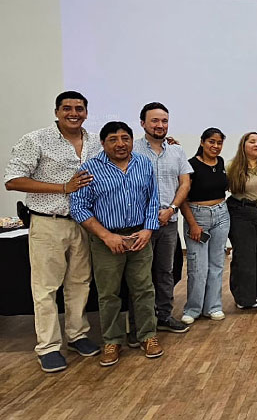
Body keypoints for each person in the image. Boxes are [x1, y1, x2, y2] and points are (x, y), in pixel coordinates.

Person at [4, 91, 101, 372]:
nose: (74, 113)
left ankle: (77, 335)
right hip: (49, 222)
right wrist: (62, 188)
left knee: (80, 284)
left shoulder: (94, 141)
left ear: (86, 112)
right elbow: (12, 181)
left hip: (84, 222)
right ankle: (47, 347)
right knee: (46, 288)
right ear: (57, 111)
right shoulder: (35, 140)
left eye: (79, 108)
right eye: (68, 108)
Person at [70, 121, 163, 366]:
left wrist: (148, 230)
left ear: (132, 140)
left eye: (125, 138)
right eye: (113, 139)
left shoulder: (143, 164)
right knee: (109, 293)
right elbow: (79, 206)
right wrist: (106, 236)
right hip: (106, 240)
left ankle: (147, 336)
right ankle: (112, 340)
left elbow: (153, 199)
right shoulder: (89, 169)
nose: (120, 144)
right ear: (102, 143)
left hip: (139, 238)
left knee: (144, 289)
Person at [132, 102, 192, 336]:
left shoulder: (176, 151)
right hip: (140, 224)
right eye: (154, 120)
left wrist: (171, 209)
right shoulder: (132, 150)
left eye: (164, 121)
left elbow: (185, 183)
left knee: (165, 272)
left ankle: (165, 316)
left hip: (168, 222)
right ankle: (140, 324)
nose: (160, 125)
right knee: (140, 275)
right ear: (143, 123)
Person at [180, 128, 230, 324]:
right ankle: (193, 309)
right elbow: (183, 197)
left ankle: (214, 306)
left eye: (219, 143)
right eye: (211, 142)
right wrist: (192, 224)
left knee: (216, 265)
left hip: (221, 215)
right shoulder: (190, 165)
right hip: (197, 217)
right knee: (198, 267)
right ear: (202, 142)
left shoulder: (221, 162)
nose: (215, 146)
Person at [226, 132, 257, 310]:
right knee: (244, 256)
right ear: (243, 145)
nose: (256, 145)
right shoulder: (232, 166)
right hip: (241, 214)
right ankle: (244, 298)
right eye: (252, 142)